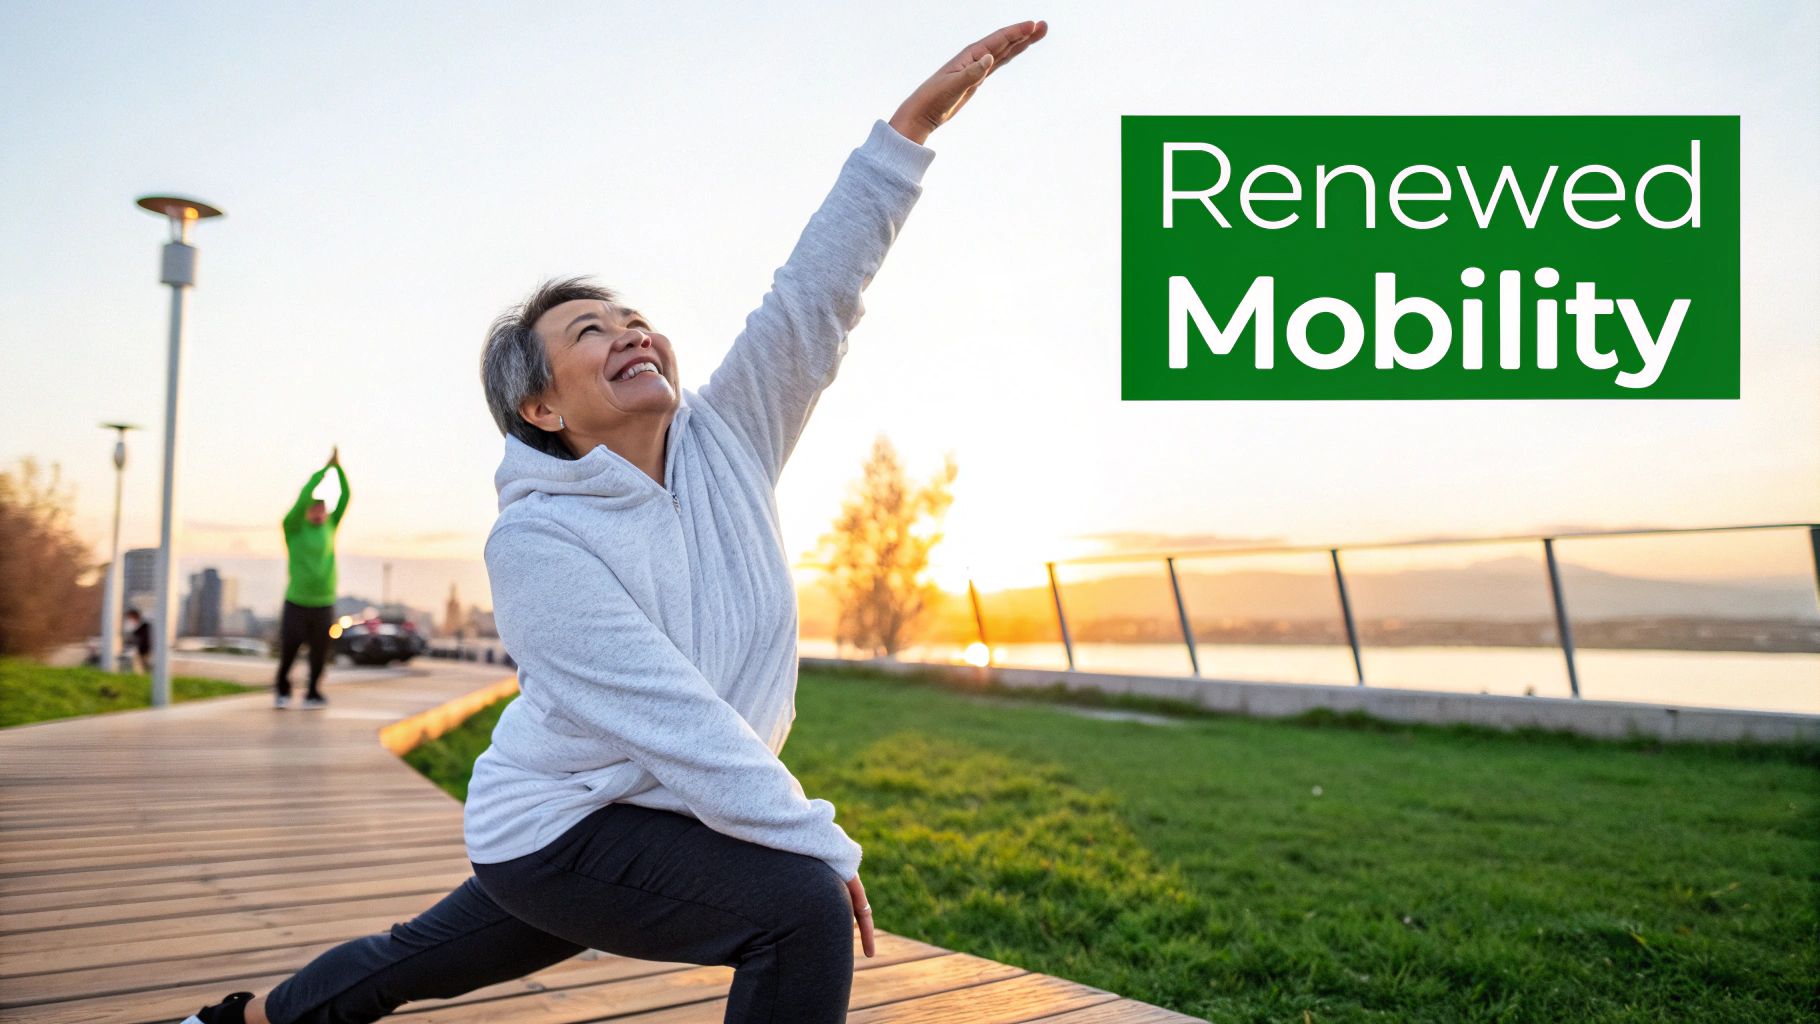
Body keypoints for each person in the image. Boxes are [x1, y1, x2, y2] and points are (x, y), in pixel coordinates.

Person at [177, 20, 1046, 1024]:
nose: (629, 330)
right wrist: (820, 840)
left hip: (644, 815)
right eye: (589, 331)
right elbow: (674, 717)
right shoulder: (538, 544)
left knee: (412, 959)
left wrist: (903, 134)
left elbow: (813, 296)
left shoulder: (730, 437)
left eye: (630, 317)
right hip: (556, 831)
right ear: (541, 408)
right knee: (798, 909)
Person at [275, 447, 349, 710]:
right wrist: (324, 471)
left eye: (322, 509)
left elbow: (345, 497)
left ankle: (313, 693)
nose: (319, 512)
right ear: (306, 511)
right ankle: (282, 690)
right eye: (314, 509)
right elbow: (303, 497)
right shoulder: (293, 528)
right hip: (296, 601)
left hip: (324, 602)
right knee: (290, 648)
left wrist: (339, 470)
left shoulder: (330, 527)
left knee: (320, 653)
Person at [123, 608, 152, 673]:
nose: (130, 620)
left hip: (145, 650)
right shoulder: (139, 626)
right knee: (140, 665)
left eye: (130, 617)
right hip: (140, 649)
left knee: (146, 665)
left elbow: (145, 639)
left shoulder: (145, 626)